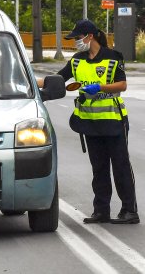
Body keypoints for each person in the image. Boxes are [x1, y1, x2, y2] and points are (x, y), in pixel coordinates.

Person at [41, 19, 138, 224]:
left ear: (90, 36)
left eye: (77, 37)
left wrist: (100, 87)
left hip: (114, 121)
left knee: (120, 166)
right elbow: (57, 79)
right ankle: (101, 211)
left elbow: (122, 85)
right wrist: (26, 80)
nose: (76, 41)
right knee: (99, 168)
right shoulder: (77, 60)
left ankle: (130, 211)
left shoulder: (112, 57)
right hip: (90, 123)